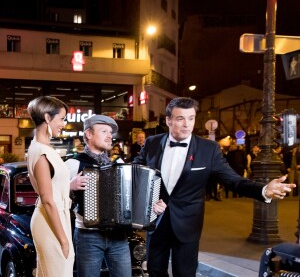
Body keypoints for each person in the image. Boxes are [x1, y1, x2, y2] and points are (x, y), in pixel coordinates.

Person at [132, 97, 296, 277]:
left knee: (185, 273)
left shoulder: (208, 149)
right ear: (169, 120)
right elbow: (137, 174)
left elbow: (233, 180)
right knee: (155, 271)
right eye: (180, 119)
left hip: (188, 224)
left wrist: (263, 189)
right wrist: (149, 202)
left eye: (191, 118)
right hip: (156, 222)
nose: (187, 124)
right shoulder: (152, 143)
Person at [64, 115, 132, 276]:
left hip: (118, 235)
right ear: (88, 134)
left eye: (110, 132)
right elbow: (49, 196)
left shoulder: (120, 164)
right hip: (88, 236)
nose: (110, 136)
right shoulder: (73, 164)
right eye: (104, 131)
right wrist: (69, 186)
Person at [26, 96, 75, 276]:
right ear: (47, 118)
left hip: (56, 216)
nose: (64, 124)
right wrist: (63, 241)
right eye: (61, 119)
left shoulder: (43, 148)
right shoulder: (41, 152)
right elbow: (47, 200)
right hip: (49, 219)